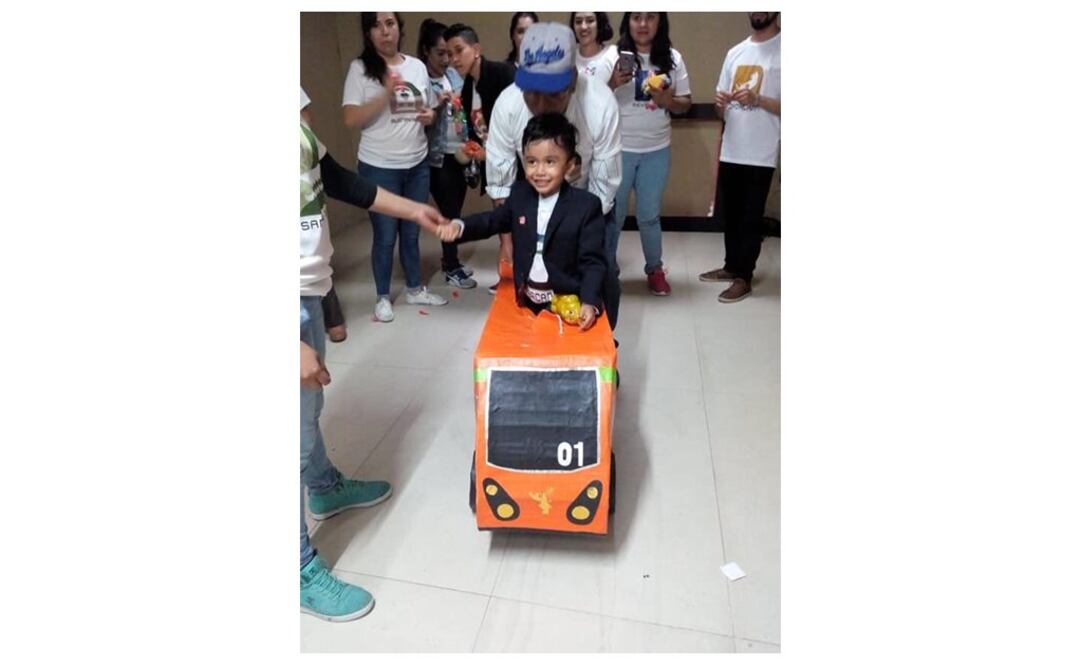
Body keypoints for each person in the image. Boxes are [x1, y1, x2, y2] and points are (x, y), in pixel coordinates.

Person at [300, 88, 448, 622]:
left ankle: (324, 489)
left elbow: (338, 180)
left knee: (307, 412)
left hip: (306, 292)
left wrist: (412, 209)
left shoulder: (295, 121)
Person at [485, 22, 623, 330]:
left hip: (590, 202)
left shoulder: (601, 105)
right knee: (535, 281)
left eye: (553, 94)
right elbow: (500, 180)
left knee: (602, 276)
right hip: (533, 199)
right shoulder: (508, 105)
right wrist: (506, 240)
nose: (541, 105)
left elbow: (604, 188)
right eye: (532, 93)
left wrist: (573, 236)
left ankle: (601, 350)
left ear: (573, 80)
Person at [439, 113, 607, 330]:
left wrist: (589, 302)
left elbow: (593, 262)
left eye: (550, 162)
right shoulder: (520, 194)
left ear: (569, 165)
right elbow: (492, 221)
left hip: (567, 303)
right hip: (527, 300)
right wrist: (459, 226)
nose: (539, 171)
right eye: (531, 162)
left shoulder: (585, 206)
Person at [342, 12, 448, 323]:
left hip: (416, 162)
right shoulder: (360, 69)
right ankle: (382, 296)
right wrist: (385, 92)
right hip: (379, 166)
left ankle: (415, 288)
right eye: (376, 25)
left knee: (412, 232)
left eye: (390, 24)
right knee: (385, 236)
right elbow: (350, 119)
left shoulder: (415, 66)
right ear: (368, 32)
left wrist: (430, 114)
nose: (384, 32)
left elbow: (424, 106)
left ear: (399, 28)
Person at [700, 11, 781, 303]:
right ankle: (731, 266)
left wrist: (758, 99)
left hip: (761, 150)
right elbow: (722, 109)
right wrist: (720, 104)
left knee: (749, 218)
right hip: (732, 146)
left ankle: (743, 277)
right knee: (731, 213)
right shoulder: (735, 52)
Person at [610, 12, 692, 296]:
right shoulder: (612, 56)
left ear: (660, 22)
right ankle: (607, 270)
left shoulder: (672, 58)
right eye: (636, 17)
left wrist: (668, 100)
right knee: (613, 215)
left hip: (656, 150)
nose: (643, 24)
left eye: (650, 17)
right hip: (618, 150)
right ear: (627, 22)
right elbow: (592, 98)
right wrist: (612, 83)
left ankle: (655, 269)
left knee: (649, 215)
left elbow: (685, 104)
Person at [444, 23, 519, 293]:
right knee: (504, 229)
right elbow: (477, 132)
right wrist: (471, 150)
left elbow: (520, 126)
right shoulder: (466, 88)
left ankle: (523, 281)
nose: (454, 59)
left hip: (516, 166)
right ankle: (510, 279)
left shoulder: (504, 74)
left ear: (476, 49)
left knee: (519, 226)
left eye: (459, 50)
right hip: (493, 166)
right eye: (449, 54)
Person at [418, 18, 477, 289]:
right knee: (449, 210)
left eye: (451, 53)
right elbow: (422, 119)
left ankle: (451, 260)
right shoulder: (421, 80)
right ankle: (452, 266)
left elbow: (467, 106)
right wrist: (437, 104)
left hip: (461, 152)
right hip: (438, 157)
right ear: (426, 52)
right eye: (441, 53)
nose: (447, 59)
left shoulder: (454, 75)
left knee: (457, 208)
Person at [570, 11, 618, 85]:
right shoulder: (568, 59)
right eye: (578, 22)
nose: (583, 27)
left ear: (599, 23)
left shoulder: (614, 54)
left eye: (590, 21)